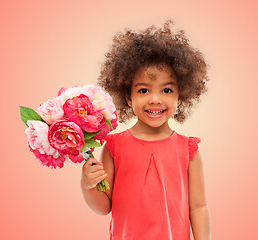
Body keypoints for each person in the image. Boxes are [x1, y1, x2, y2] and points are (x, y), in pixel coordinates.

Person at [81, 20, 211, 240]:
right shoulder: (114, 147)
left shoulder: (188, 150)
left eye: (167, 90)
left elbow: (198, 207)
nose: (155, 99)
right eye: (143, 90)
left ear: (180, 97)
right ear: (128, 98)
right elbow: (103, 207)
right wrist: (88, 184)